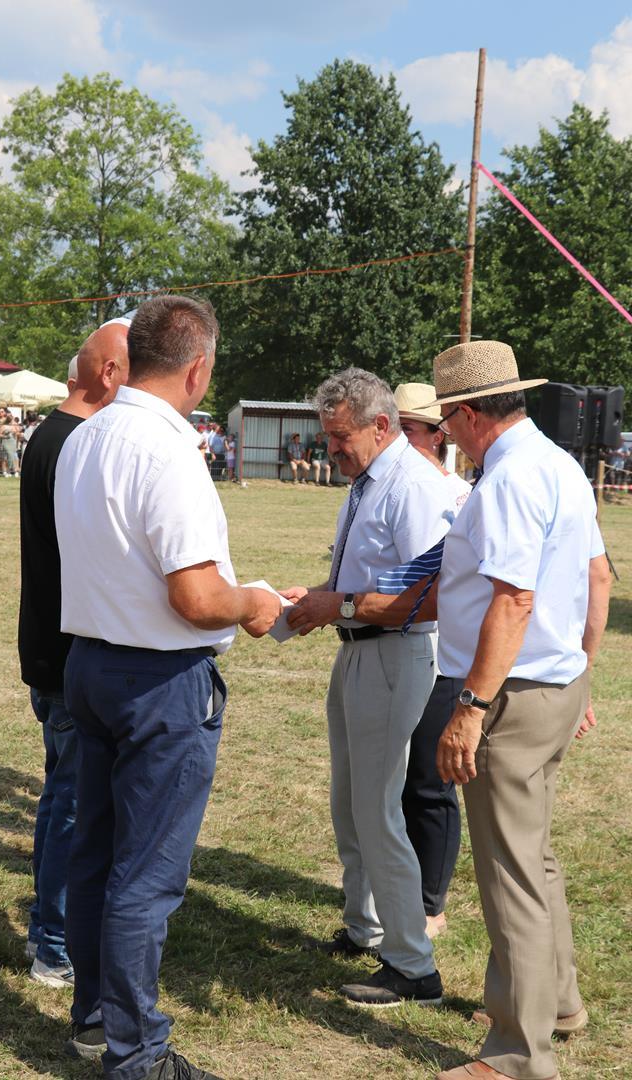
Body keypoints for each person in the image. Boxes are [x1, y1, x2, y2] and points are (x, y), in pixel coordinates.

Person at [54, 295, 281, 1080]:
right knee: (145, 875)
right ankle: (138, 1054)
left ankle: (96, 1018)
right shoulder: (168, 450)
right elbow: (196, 597)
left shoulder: (85, 435)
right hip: (156, 678)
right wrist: (253, 602)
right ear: (197, 369)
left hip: (91, 661)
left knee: (97, 852)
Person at [424, 341, 611, 1080]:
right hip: (552, 686)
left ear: (470, 415)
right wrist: (582, 672)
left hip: (513, 692)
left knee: (510, 874)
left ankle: (516, 1055)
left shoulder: (507, 479)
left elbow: (513, 600)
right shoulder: (559, 463)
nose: (446, 435)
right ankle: (556, 1003)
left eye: (446, 421)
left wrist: (471, 705)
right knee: (532, 857)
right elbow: (597, 577)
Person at [282, 368, 454, 1007]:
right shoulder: (370, 481)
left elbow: (431, 597)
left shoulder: (413, 486)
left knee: (379, 809)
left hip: (394, 655)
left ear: (381, 426)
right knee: (351, 802)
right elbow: (368, 580)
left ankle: (413, 964)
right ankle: (366, 928)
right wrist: (317, 599)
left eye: (340, 437)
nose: (330, 449)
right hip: (360, 651)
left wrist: (341, 605)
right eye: (328, 437)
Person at [19, 321, 130, 989]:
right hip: (69, 653)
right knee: (73, 805)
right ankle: (55, 944)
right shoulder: (76, 444)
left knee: (60, 796)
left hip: (48, 647)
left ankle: (50, 933)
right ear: (109, 373)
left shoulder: (50, 436)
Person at [393, 383, 472, 938]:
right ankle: (399, 888)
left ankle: (430, 903)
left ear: (438, 435)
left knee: (429, 781)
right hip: (398, 646)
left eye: (409, 429)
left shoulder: (459, 495)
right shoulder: (390, 487)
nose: (399, 441)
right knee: (394, 782)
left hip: (443, 651)